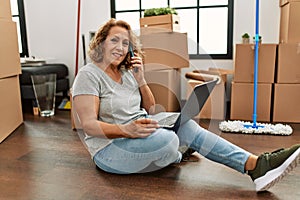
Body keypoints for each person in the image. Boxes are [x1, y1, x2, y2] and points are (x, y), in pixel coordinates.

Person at [72, 18, 300, 192]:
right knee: (169, 140)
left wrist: (141, 79)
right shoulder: (89, 75)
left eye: (126, 43)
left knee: (187, 126)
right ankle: (177, 150)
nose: (121, 48)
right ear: (101, 42)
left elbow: (150, 109)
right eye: (114, 40)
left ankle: (256, 165)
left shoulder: (128, 72)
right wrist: (127, 130)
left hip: (139, 132)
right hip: (110, 150)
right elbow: (90, 126)